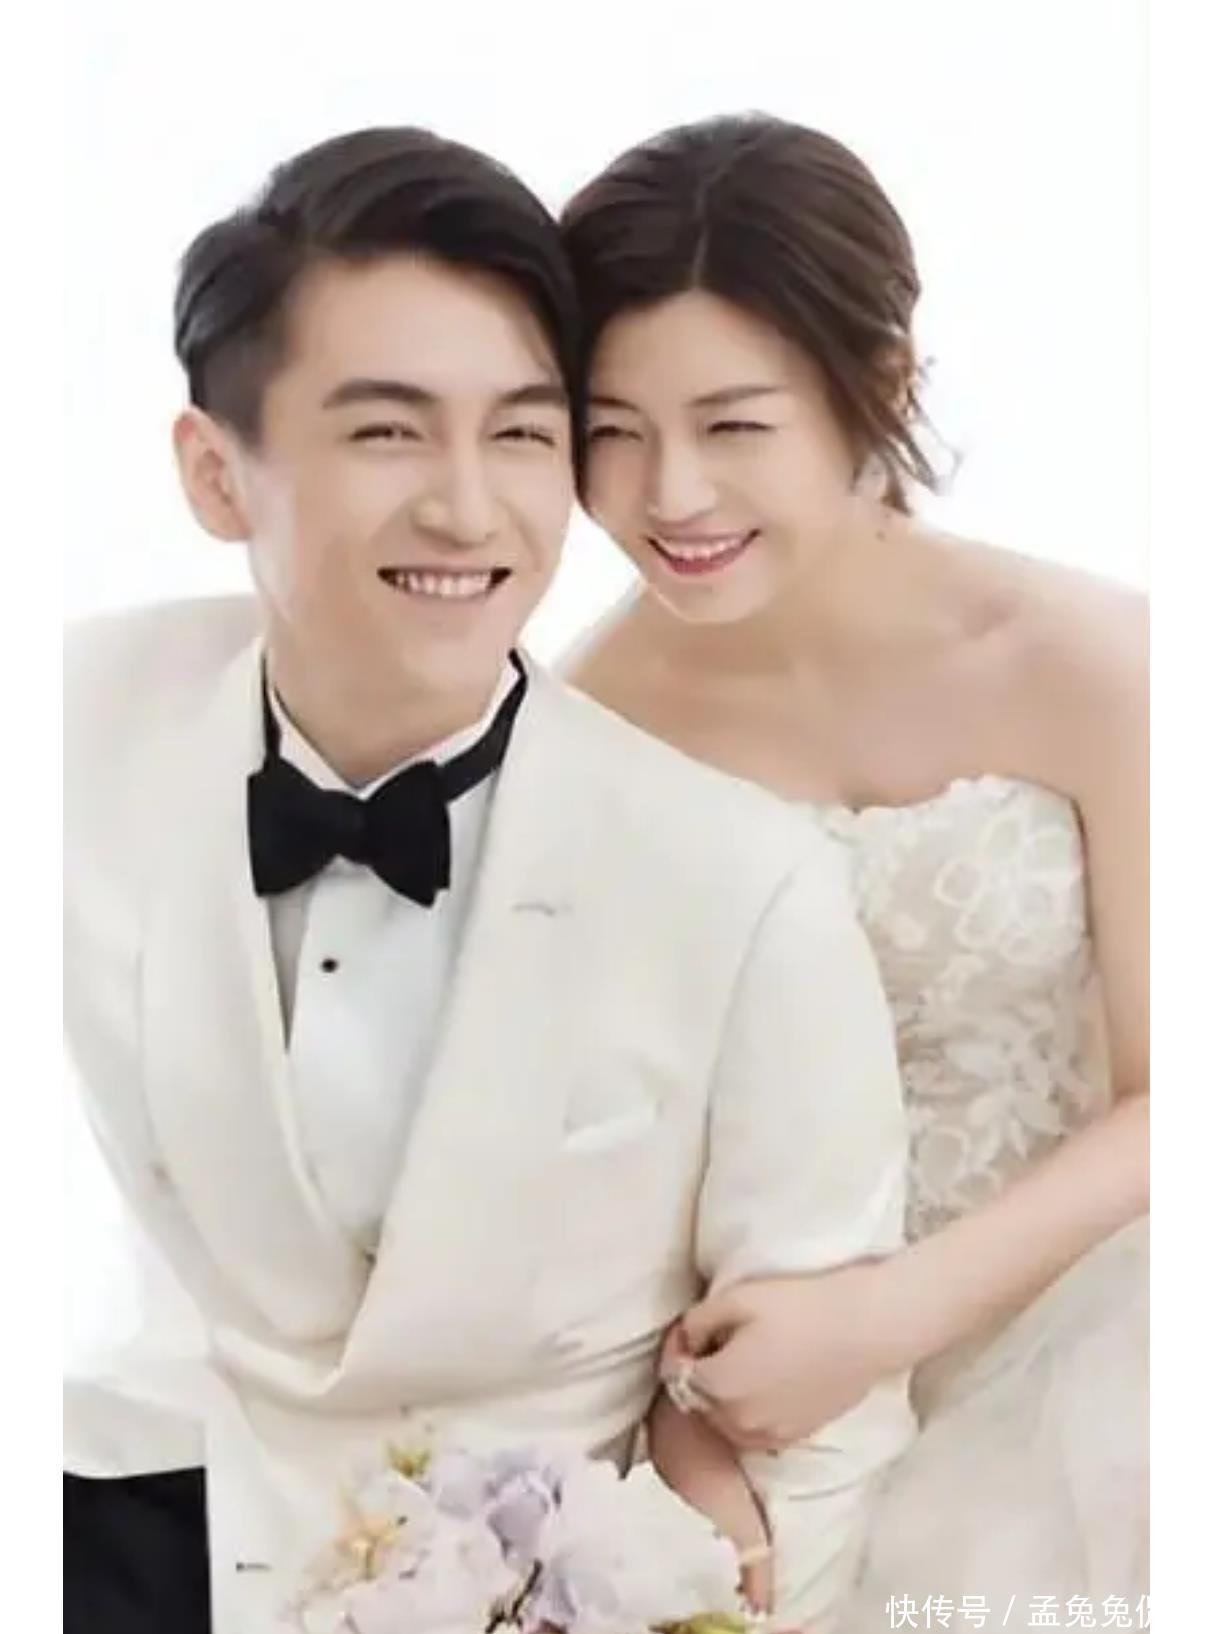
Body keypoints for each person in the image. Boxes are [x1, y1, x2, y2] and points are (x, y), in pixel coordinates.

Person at [64, 125, 918, 1634]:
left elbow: (827, 1414)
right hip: (122, 1517)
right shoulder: (75, 726)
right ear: (213, 472)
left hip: (525, 1572)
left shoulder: (740, 881)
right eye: (388, 433)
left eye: (524, 435)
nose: (469, 509)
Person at [560, 113, 1148, 1628]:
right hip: (771, 1394)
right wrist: (682, 1425)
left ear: (877, 386)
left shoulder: (1095, 662)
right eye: (611, 429)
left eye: (733, 424)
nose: (669, 493)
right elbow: (606, 1158)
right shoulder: (580, 736)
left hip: (1096, 1318)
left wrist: (889, 1316)